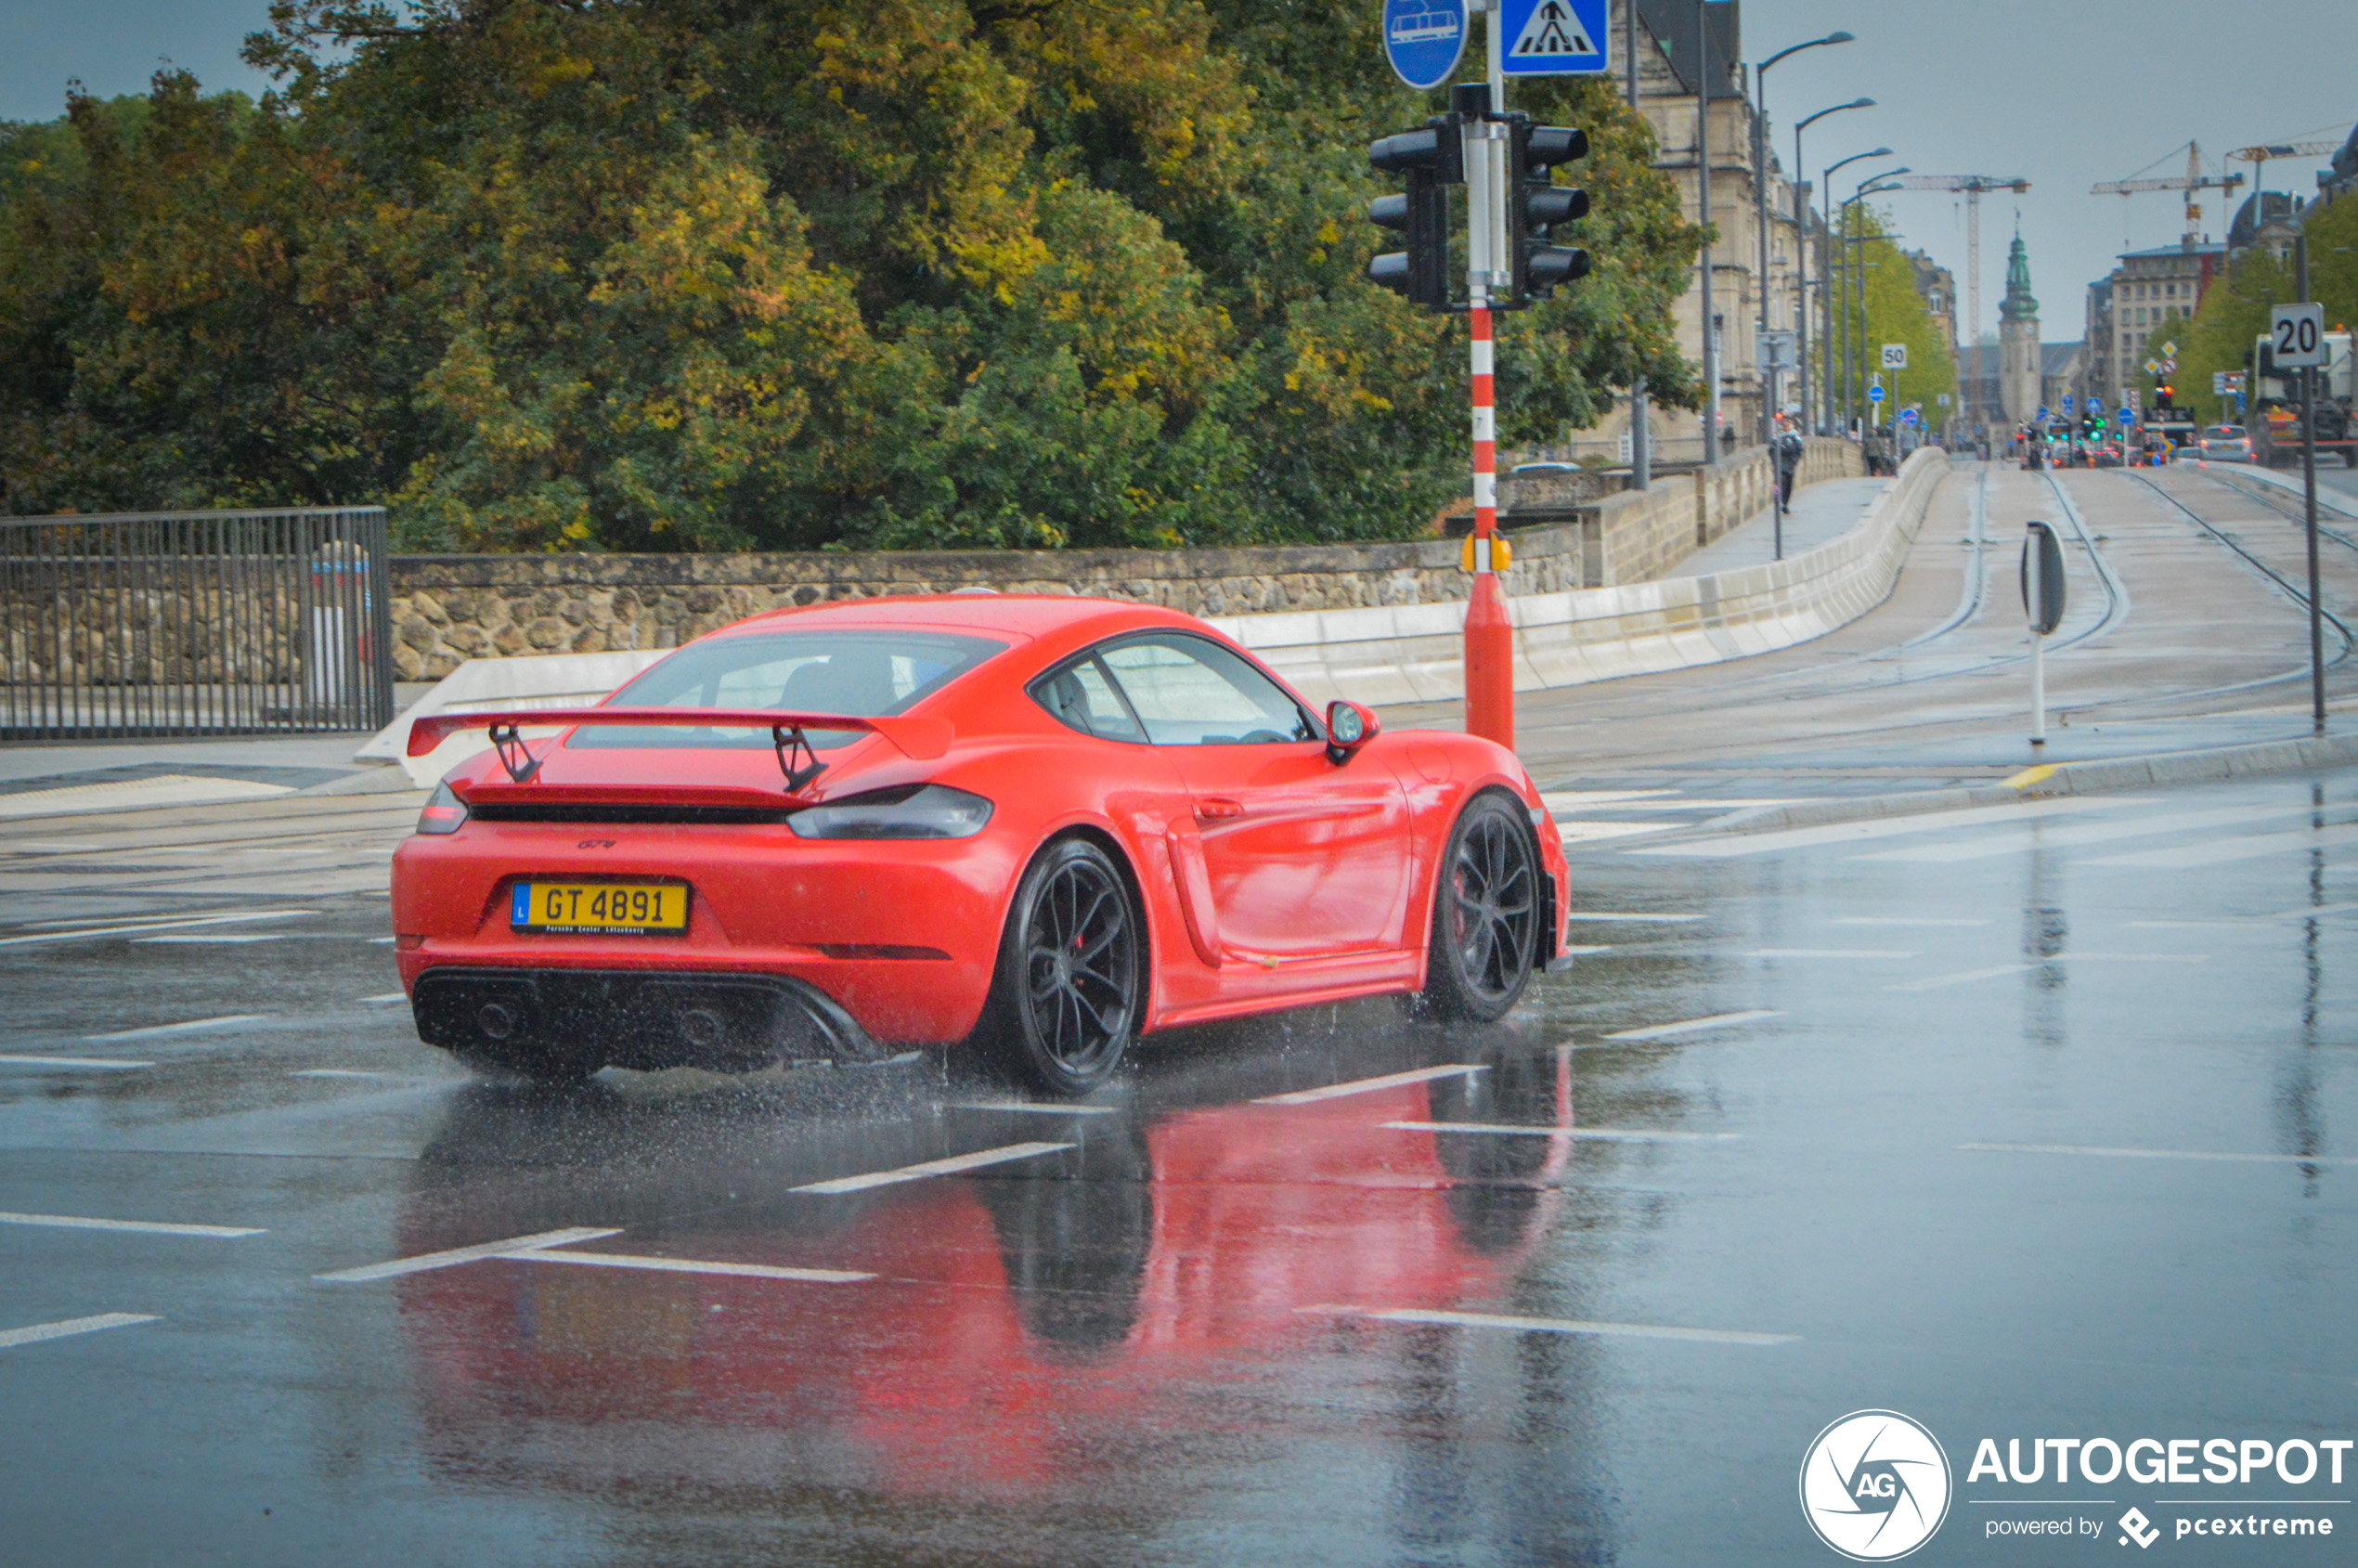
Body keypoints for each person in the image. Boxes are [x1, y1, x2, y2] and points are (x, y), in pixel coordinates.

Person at [1773, 418, 1805, 510]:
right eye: (1784, 423)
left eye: (1787, 423)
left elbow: (1799, 450)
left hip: (1790, 464)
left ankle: (1785, 503)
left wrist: (1794, 461)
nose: (1785, 425)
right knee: (1778, 483)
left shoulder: (1795, 437)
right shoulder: (1777, 436)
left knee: (1788, 484)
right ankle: (1778, 499)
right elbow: (1772, 449)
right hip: (1780, 463)